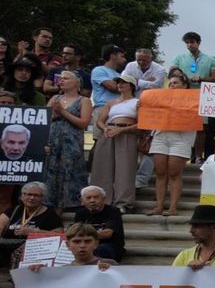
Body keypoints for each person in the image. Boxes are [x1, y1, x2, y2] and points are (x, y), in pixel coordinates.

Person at [42, 70, 92, 211]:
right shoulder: (54, 98)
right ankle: (50, 203)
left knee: (71, 170)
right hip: (53, 140)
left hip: (72, 141)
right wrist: (55, 114)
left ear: (77, 83)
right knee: (51, 170)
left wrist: (63, 112)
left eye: (66, 78)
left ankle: (71, 204)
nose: (61, 81)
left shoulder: (84, 100)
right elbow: (45, 120)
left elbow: (83, 123)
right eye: (60, 78)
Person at [91, 75, 141, 213]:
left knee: (125, 169)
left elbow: (141, 123)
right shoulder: (111, 102)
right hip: (109, 133)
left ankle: (123, 202)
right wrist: (105, 128)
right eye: (118, 82)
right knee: (103, 168)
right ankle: (102, 199)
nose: (120, 84)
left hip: (126, 134)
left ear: (131, 85)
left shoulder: (137, 102)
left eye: (123, 82)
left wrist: (122, 129)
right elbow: (100, 120)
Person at [169, 32, 215, 161]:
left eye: (192, 42)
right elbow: (172, 72)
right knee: (182, 125)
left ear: (198, 43)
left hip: (202, 96)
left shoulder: (210, 59)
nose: (189, 45)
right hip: (183, 96)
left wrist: (201, 78)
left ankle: (198, 156)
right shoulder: (179, 58)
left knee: (201, 128)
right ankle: (183, 154)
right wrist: (184, 78)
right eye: (187, 42)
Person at [0, 181, 64, 268]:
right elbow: (1, 224)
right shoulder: (15, 209)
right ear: (22, 196)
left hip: (32, 248)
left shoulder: (49, 214)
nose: (32, 198)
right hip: (6, 243)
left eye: (36, 195)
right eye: (29, 194)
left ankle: (16, 277)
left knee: (20, 251)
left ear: (42, 198)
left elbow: (59, 235)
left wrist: (33, 232)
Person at [74, 186, 126, 262]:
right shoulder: (80, 213)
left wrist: (84, 236)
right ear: (82, 200)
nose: (92, 200)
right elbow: (76, 233)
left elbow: (107, 234)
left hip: (109, 247)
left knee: (97, 249)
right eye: (88, 198)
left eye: (96, 197)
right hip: (88, 245)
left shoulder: (113, 211)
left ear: (104, 199)